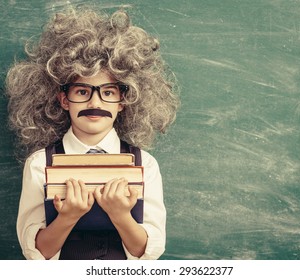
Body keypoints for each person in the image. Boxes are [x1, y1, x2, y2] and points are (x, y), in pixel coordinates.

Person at [5, 7, 179, 260]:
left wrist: (120, 215)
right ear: (64, 99)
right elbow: (36, 255)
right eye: (82, 92)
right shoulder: (40, 164)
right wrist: (68, 216)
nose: (95, 103)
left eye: (108, 92)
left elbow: (148, 253)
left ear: (123, 101)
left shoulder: (145, 165)